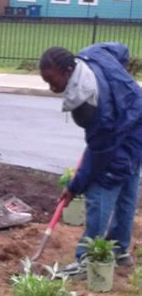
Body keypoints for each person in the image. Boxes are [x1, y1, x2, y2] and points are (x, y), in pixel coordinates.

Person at [39, 43, 142, 278]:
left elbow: (98, 155)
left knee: (101, 188)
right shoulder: (92, 54)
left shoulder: (87, 105)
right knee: (127, 185)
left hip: (124, 133)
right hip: (138, 121)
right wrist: (122, 83)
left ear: (68, 70)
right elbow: (120, 49)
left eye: (52, 80)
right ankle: (119, 250)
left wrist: (74, 186)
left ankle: (86, 259)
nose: (51, 87)